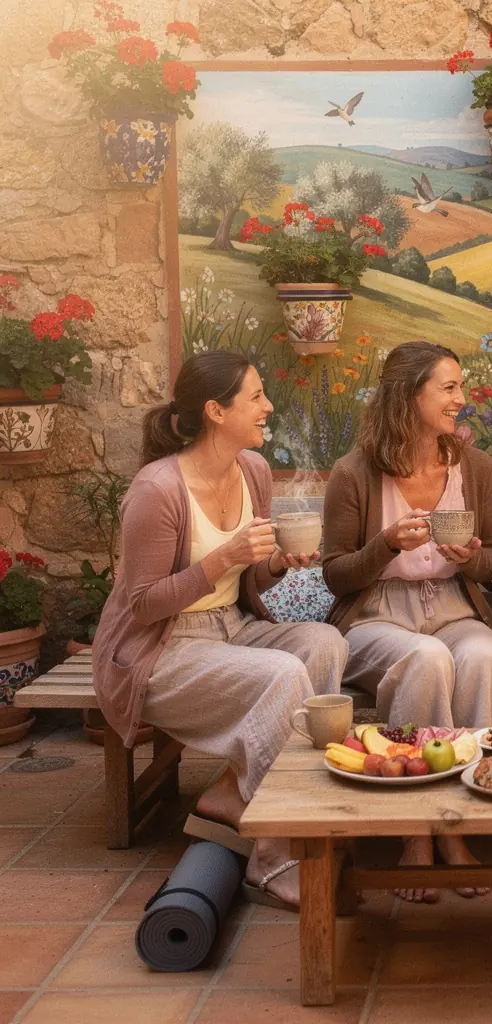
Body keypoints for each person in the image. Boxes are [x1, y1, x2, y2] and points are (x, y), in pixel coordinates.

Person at [93, 351, 349, 910]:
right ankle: (274, 857)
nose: (268, 406)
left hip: (231, 625)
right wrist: (222, 557)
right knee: (283, 675)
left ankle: (240, 791)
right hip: (159, 650)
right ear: (215, 410)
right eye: (256, 396)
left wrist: (277, 564)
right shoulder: (157, 490)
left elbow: (246, 577)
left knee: (323, 642)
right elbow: (141, 606)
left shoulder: (252, 471)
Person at [322, 340, 492, 903]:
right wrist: (384, 545)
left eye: (460, 386)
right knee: (426, 660)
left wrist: (469, 558)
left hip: (454, 607)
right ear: (410, 395)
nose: (461, 398)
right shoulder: (354, 473)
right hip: (376, 615)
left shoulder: (473, 466)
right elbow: (337, 576)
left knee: (481, 657)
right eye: (448, 388)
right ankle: (415, 831)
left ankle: (465, 820)